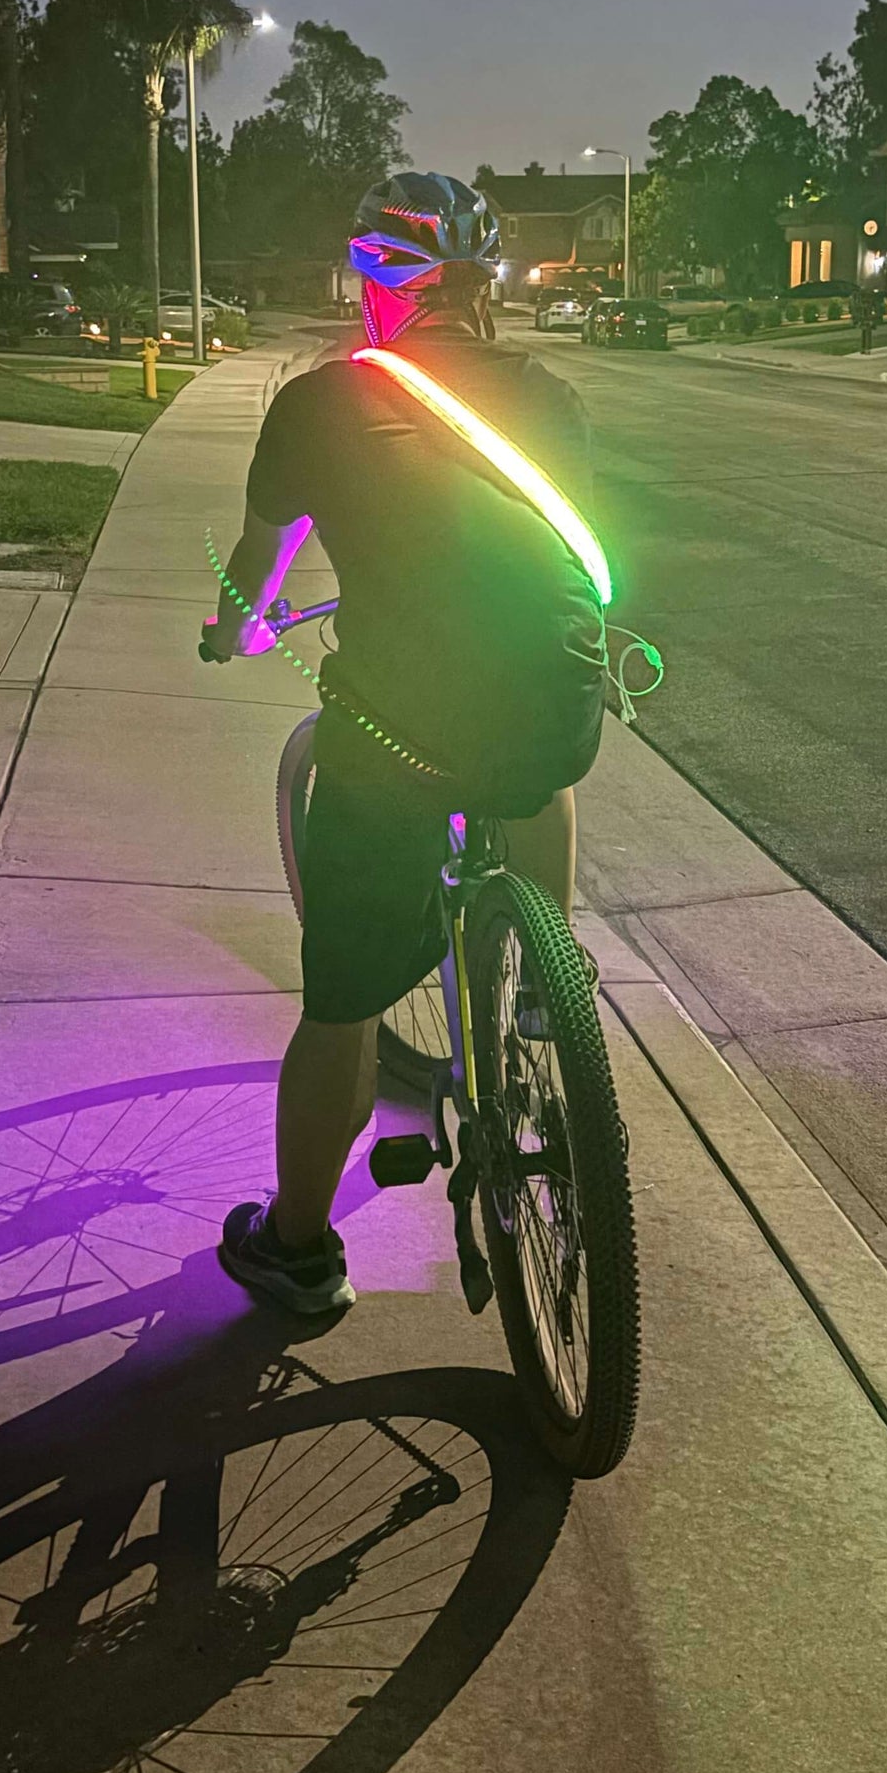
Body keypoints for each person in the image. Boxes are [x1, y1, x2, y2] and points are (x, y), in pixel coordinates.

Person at [200, 173, 608, 1313]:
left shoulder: (320, 403)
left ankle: (295, 1252)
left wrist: (234, 626)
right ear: (483, 288)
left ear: (374, 286)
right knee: (531, 762)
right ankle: (545, 982)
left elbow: (261, 552)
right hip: (549, 701)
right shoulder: (553, 401)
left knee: (339, 1004)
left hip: (398, 735)